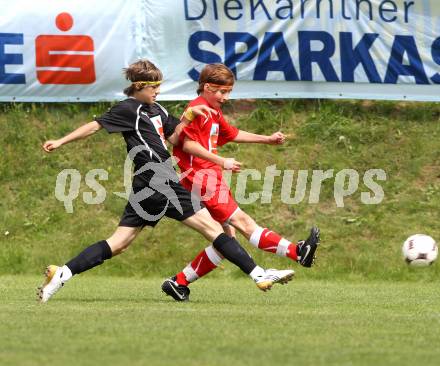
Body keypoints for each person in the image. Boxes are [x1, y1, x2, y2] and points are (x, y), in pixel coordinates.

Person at [38, 59, 294, 303]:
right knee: (214, 230)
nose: (158, 92)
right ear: (139, 87)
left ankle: (62, 273)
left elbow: (175, 138)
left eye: (159, 86)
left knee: (119, 243)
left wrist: (188, 117)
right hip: (158, 178)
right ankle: (259, 274)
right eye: (154, 87)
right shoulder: (128, 109)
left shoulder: (157, 109)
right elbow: (94, 126)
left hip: (150, 182)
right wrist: (61, 141)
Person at [161, 63, 320, 300]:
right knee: (243, 222)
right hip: (201, 177)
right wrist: (221, 160)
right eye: (222, 92)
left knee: (226, 241)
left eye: (229, 92)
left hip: (207, 175)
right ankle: (297, 252)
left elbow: (232, 133)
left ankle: (178, 282)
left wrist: (266, 139)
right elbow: (186, 144)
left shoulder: (212, 110)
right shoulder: (198, 109)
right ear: (207, 87)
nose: (226, 97)